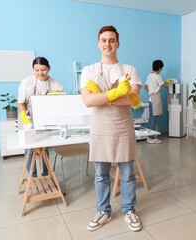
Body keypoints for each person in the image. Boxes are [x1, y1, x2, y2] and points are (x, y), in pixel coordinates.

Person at [80, 26, 143, 232]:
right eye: (104, 40)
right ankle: (103, 211)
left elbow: (133, 100)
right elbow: (88, 101)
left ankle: (129, 210)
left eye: (112, 40)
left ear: (118, 43)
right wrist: (116, 93)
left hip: (123, 128)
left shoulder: (129, 70)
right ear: (98, 43)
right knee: (101, 174)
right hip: (100, 128)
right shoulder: (89, 70)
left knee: (127, 174)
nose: (108, 44)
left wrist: (103, 97)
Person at [18, 57, 63, 178]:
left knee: (44, 147)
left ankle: (45, 175)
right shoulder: (27, 82)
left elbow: (59, 102)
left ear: (49, 68)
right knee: (29, 149)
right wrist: (24, 118)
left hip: (45, 117)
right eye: (37, 70)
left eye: (43, 70)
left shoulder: (55, 83)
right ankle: (32, 176)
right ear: (33, 69)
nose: (40, 73)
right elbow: (21, 102)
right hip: (28, 116)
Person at [144, 60, 172, 144]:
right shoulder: (157, 77)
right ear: (159, 68)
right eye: (161, 68)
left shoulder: (149, 75)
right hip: (155, 98)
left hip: (150, 98)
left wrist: (150, 92)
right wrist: (168, 81)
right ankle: (151, 138)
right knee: (154, 119)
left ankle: (149, 136)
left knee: (151, 118)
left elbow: (145, 86)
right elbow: (165, 86)